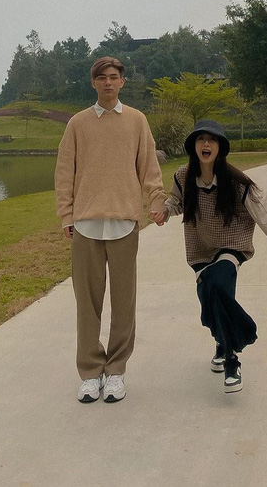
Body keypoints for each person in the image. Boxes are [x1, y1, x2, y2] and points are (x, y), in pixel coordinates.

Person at [55, 56, 167, 404]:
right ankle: (91, 373)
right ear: (93, 82)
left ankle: (116, 370)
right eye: (102, 77)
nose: (108, 82)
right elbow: (64, 173)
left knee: (123, 302)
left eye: (114, 77)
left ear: (122, 82)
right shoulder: (78, 124)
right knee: (87, 304)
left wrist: (157, 200)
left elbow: (149, 168)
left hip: (124, 224)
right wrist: (66, 215)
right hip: (85, 225)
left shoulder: (136, 121)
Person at [157, 120, 267, 394]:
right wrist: (165, 211)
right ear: (193, 146)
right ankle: (221, 341)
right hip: (200, 248)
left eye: (212, 140)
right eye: (201, 139)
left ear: (220, 147)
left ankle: (232, 360)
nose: (206, 144)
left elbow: (265, 210)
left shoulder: (236, 181)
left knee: (220, 286)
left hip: (232, 244)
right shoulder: (183, 176)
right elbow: (176, 201)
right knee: (209, 301)